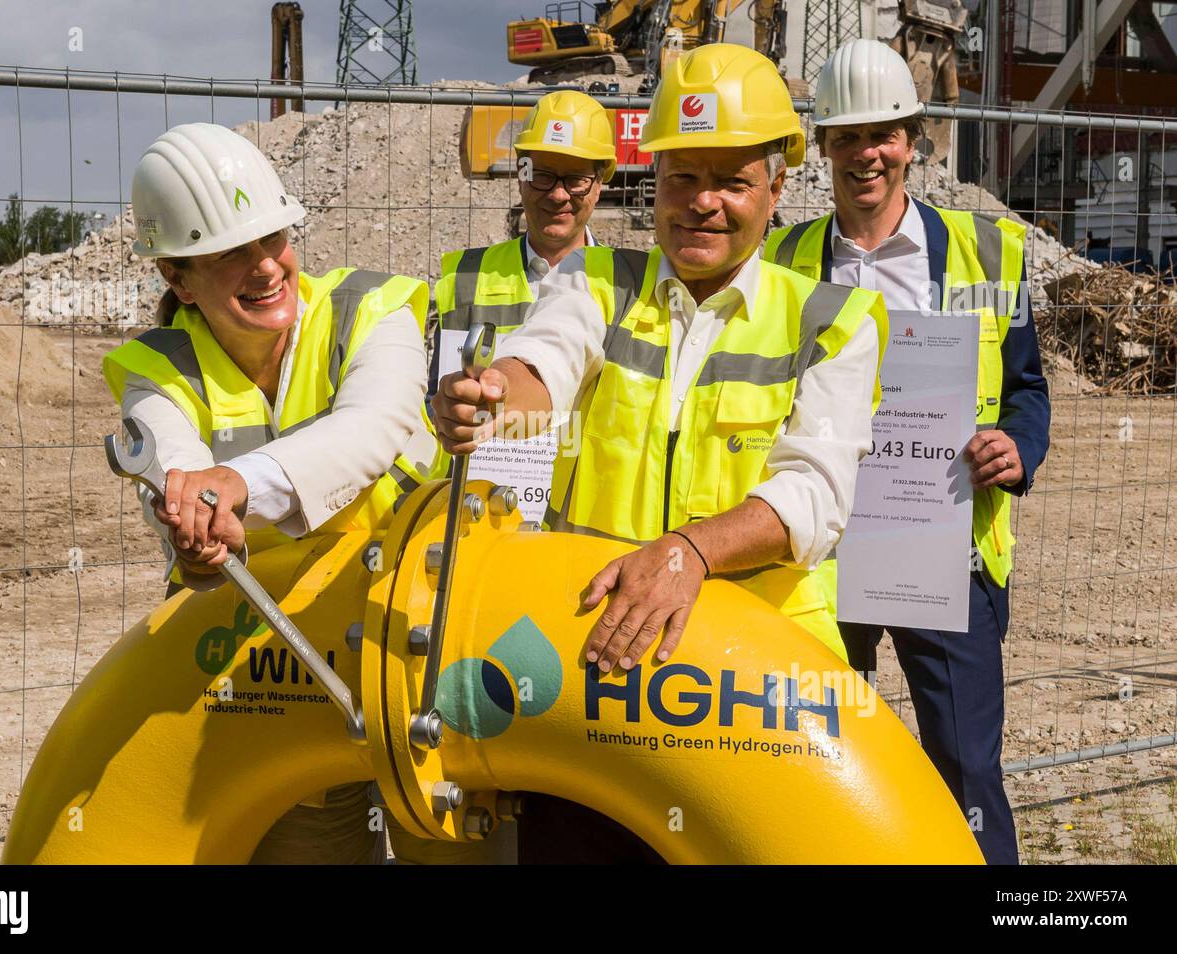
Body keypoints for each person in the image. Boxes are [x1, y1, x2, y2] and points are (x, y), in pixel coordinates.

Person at [432, 43, 888, 862]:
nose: (702, 204)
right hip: (597, 663)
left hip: (753, 680)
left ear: (776, 187)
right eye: (682, 178)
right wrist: (493, 396)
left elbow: (814, 496)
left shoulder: (832, 319)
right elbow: (546, 360)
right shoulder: (599, 283)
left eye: (731, 181)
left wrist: (688, 553)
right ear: (656, 179)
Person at [102, 121, 440, 863]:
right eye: (230, 254)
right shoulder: (155, 368)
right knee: (310, 842)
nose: (266, 267)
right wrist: (193, 537)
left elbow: (371, 426)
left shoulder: (372, 310)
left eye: (274, 239)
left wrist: (232, 489)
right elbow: (173, 468)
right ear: (176, 278)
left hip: (405, 642)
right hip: (275, 671)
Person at [763, 39, 1051, 865]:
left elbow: (1029, 389)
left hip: (944, 549)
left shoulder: (985, 251)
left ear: (915, 138)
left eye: (884, 133)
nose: (867, 154)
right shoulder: (783, 263)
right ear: (823, 148)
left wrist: (1016, 449)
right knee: (813, 763)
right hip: (819, 556)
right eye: (848, 136)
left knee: (963, 771)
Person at [431, 89, 641, 391]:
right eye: (542, 176)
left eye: (576, 180)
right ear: (521, 177)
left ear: (598, 186)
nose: (558, 195)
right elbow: (437, 398)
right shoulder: (466, 278)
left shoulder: (630, 286)